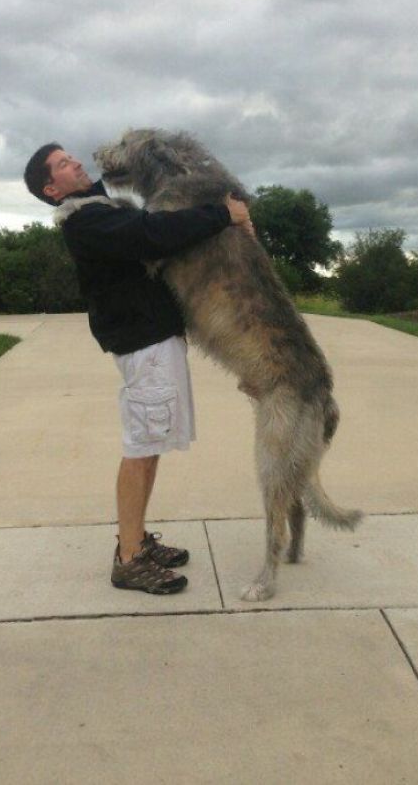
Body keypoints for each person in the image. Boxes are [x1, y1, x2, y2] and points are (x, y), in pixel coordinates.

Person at [24, 142, 253, 594]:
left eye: (72, 157)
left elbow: (145, 217)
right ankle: (129, 558)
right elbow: (152, 233)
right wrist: (223, 215)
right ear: (52, 189)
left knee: (150, 444)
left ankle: (137, 540)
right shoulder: (87, 220)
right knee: (141, 447)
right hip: (143, 345)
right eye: (64, 164)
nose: (76, 163)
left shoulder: (98, 208)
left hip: (150, 340)